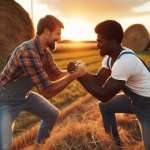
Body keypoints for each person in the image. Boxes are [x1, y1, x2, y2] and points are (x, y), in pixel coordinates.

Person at [0, 15, 85, 150]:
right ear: (46, 32)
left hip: (25, 94)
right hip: (6, 99)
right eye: (57, 33)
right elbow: (47, 91)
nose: (60, 39)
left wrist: (70, 71)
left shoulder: (45, 52)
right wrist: (73, 76)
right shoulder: (28, 51)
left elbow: (55, 75)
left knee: (52, 114)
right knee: (5, 146)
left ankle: (38, 148)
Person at [67, 20, 150, 149]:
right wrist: (80, 72)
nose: (97, 45)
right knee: (106, 106)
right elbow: (99, 80)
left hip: (147, 105)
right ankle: (115, 145)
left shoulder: (125, 61)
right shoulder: (110, 58)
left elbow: (105, 94)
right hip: (133, 100)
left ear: (112, 41)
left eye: (100, 41)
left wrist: (79, 77)